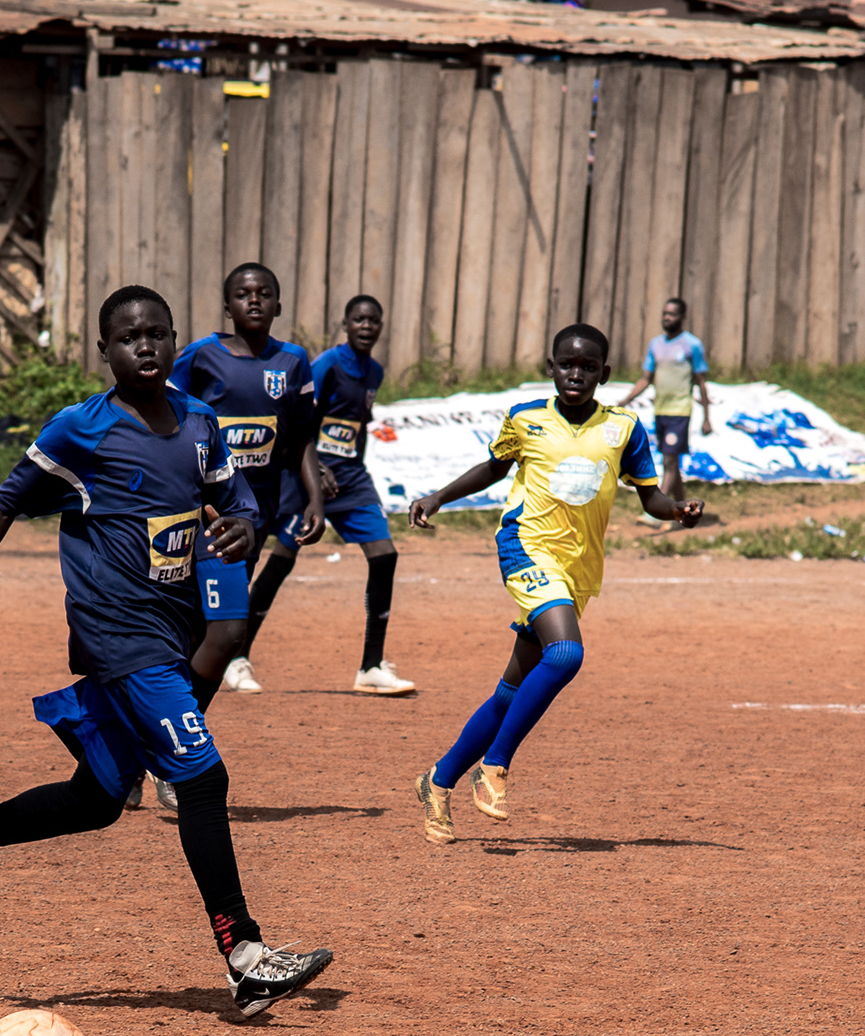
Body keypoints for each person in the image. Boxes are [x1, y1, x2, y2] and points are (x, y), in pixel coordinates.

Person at [0, 286, 334, 1021]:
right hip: (115, 632)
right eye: (128, 338)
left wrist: (246, 528)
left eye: (157, 333)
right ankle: (246, 956)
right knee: (202, 776)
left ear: (175, 340)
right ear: (104, 352)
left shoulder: (200, 422)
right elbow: (5, 499)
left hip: (172, 628)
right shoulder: (81, 430)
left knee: (93, 802)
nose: (145, 346)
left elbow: (240, 501)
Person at [408, 324, 703, 845]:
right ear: (551, 367)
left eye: (588, 367)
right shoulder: (526, 418)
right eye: (567, 364)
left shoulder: (624, 428)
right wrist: (438, 498)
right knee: (565, 654)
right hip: (526, 547)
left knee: (511, 692)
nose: (576, 373)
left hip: (577, 569)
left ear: (604, 374)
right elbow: (493, 469)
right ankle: (494, 766)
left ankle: (438, 779)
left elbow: (649, 496)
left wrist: (677, 510)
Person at [169, 262, 322, 699]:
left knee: (222, 625)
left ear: (278, 305)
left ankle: (184, 718)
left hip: (254, 513)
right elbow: (169, 418)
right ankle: (171, 715)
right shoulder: (200, 356)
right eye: (242, 294)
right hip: (200, 510)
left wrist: (315, 499)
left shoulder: (293, 361)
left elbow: (301, 439)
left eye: (264, 293)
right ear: (226, 307)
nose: (254, 300)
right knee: (193, 618)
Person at [252, 296, 415, 696]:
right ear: (345, 324)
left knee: (385, 555)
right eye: (358, 319)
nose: (366, 326)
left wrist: (353, 468)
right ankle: (235, 656)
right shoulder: (326, 364)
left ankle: (371, 666)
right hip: (312, 475)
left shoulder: (374, 372)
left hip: (352, 478)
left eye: (373, 321)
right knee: (281, 560)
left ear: (381, 327)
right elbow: (299, 421)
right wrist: (315, 472)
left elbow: (356, 428)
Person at [617, 297, 712, 524]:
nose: (667, 318)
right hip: (660, 411)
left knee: (669, 461)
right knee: (670, 461)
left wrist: (707, 418)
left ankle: (658, 513)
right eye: (664, 314)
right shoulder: (656, 345)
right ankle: (685, 510)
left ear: (682, 317)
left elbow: (701, 382)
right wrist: (626, 400)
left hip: (680, 412)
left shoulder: (691, 344)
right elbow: (645, 378)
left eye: (672, 314)